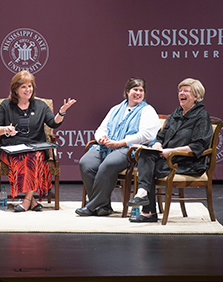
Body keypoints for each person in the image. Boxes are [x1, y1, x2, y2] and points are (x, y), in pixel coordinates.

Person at [127, 78, 213, 223]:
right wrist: (158, 144)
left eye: (186, 91)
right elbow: (161, 135)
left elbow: (199, 145)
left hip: (187, 162)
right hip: (167, 157)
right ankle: (143, 195)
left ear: (196, 96)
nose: (181, 93)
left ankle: (149, 211)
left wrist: (172, 151)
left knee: (149, 168)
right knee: (146, 154)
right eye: (180, 90)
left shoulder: (202, 116)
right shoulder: (177, 113)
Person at [0, 70, 76, 212]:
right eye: (23, 86)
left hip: (36, 149)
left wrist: (61, 112)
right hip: (11, 150)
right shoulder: (6, 105)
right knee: (25, 157)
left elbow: (53, 123)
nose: (28, 89)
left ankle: (26, 200)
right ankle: (32, 200)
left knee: (33, 156)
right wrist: (5, 129)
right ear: (15, 89)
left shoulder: (41, 105)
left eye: (30, 86)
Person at [76, 77, 160, 216]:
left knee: (108, 164)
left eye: (141, 90)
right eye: (135, 90)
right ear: (127, 91)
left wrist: (121, 143)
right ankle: (103, 206)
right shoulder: (116, 109)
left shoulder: (147, 110)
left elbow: (146, 135)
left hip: (129, 149)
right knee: (86, 163)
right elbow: (101, 129)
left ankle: (92, 206)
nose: (138, 93)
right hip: (108, 146)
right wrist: (101, 138)